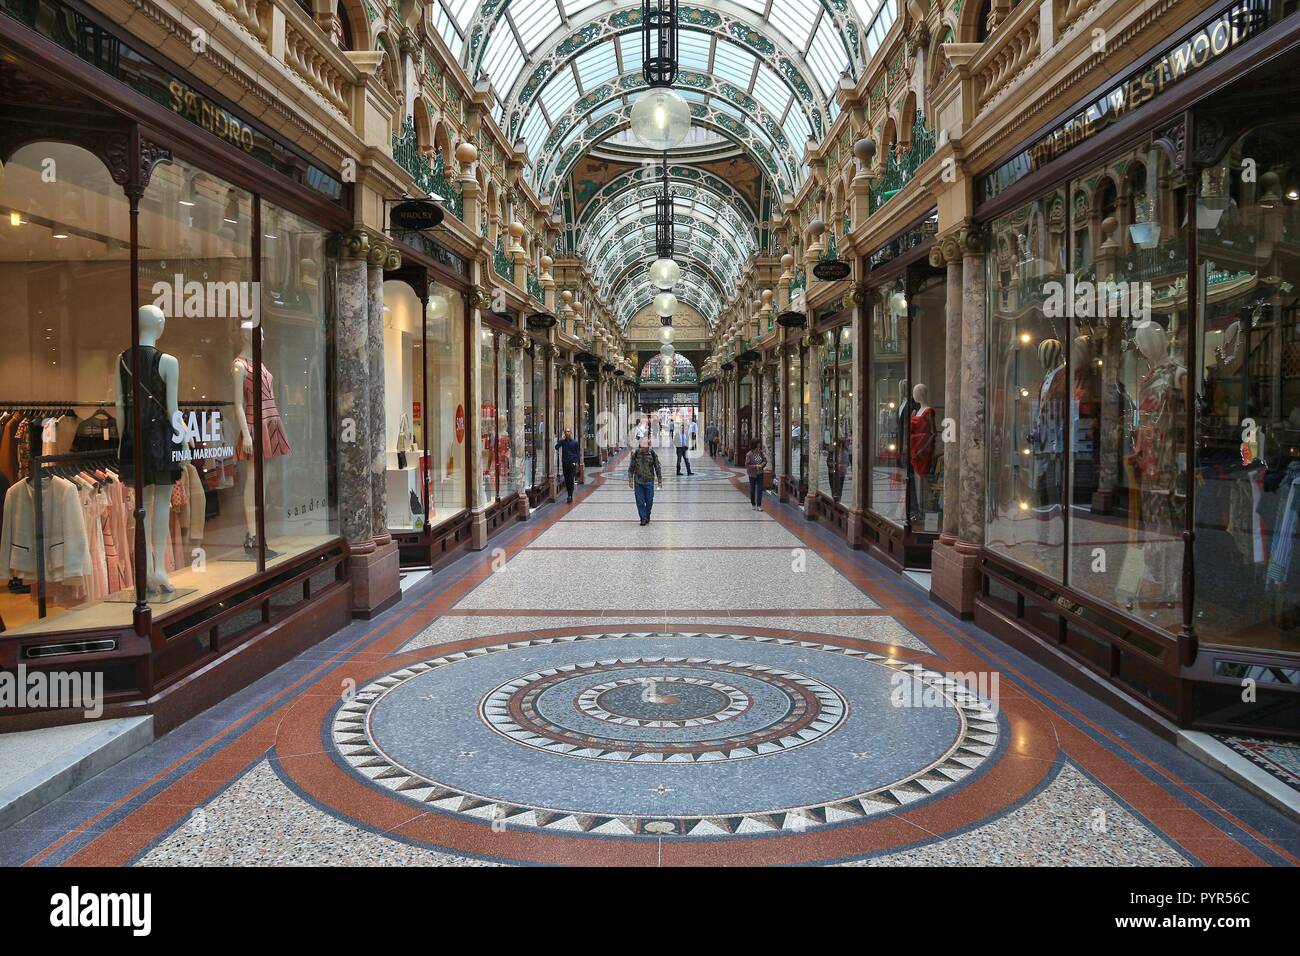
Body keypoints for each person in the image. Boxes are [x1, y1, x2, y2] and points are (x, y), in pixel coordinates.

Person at [628, 438, 663, 525]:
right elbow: (631, 469)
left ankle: (647, 515)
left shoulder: (652, 454)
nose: (644, 447)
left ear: (649, 445)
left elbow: (657, 467)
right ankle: (643, 518)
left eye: (646, 445)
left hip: (649, 482)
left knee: (649, 501)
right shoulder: (635, 454)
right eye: (642, 445)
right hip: (638, 481)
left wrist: (659, 480)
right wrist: (630, 480)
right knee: (640, 501)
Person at [554, 428, 581, 503]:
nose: (567, 433)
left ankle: (570, 495)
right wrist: (561, 440)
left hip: (572, 464)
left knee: (571, 479)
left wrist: (575, 462)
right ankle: (569, 493)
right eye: (566, 432)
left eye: (569, 431)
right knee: (566, 479)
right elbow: (556, 447)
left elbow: (577, 453)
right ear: (564, 433)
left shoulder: (575, 442)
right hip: (565, 463)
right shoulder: (563, 442)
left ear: (571, 433)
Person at [745, 443, 768, 510]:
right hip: (752, 474)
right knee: (752, 490)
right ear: (754, 446)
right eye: (758, 445)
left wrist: (762, 465)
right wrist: (755, 466)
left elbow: (765, 460)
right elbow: (747, 465)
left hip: (760, 473)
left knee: (760, 489)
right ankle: (753, 504)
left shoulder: (760, 452)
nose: (759, 446)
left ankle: (759, 505)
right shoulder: (749, 454)